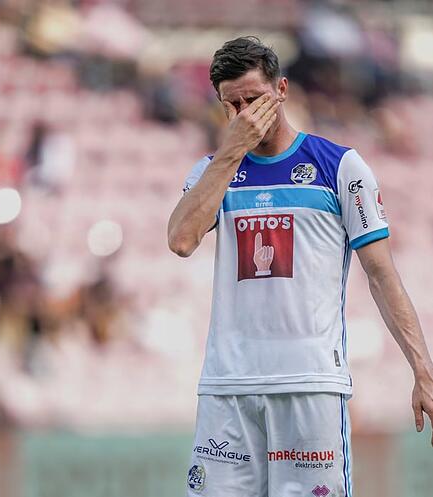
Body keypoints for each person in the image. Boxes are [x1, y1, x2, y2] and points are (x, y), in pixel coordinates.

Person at [168, 36, 433, 497]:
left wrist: (422, 369)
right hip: (228, 385)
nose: (246, 114)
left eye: (255, 99)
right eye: (233, 105)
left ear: (282, 90)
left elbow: (381, 275)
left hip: (309, 383)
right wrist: (231, 152)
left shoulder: (340, 168)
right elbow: (181, 240)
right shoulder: (212, 173)